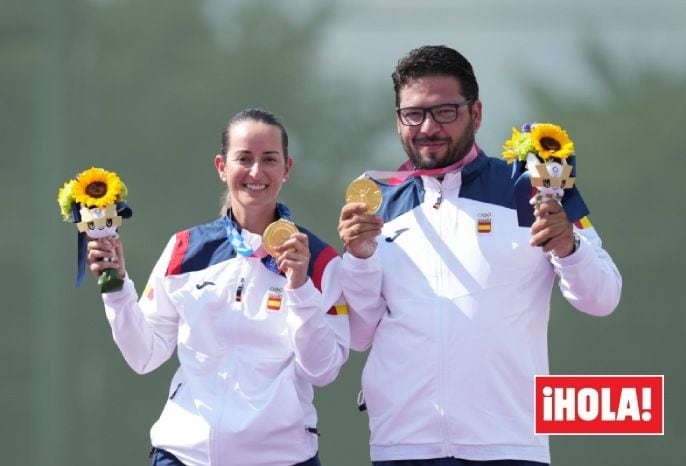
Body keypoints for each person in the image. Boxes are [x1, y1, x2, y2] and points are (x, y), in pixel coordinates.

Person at [337, 45, 622, 465]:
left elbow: (603, 298)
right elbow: (358, 334)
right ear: (398, 119)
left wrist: (569, 247)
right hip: (402, 445)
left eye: (445, 111)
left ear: (477, 113)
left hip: (509, 444)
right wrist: (358, 260)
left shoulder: (532, 186)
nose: (428, 127)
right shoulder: (377, 198)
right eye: (412, 114)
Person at [88, 108, 350, 466]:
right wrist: (116, 288)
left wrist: (300, 287)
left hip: (280, 458)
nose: (256, 172)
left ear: (286, 169)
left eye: (269, 159)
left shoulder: (319, 261)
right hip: (184, 455)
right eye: (244, 158)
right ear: (221, 167)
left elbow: (322, 371)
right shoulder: (185, 249)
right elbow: (144, 356)